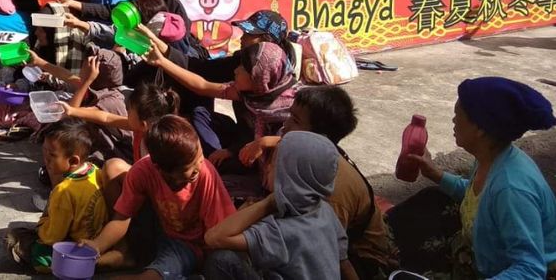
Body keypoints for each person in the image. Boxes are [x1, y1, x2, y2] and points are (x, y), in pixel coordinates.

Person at [238, 86, 395, 278]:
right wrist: (265, 141)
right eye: (290, 116)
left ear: (319, 137)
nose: (285, 126)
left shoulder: (331, 195)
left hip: (360, 261)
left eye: (295, 120)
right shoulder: (313, 157)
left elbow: (323, 252)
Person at [409, 76, 556, 279]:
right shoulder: (489, 157)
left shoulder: (511, 190)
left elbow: (530, 269)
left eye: (457, 114)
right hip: (485, 259)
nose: (453, 120)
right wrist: (436, 175)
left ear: (480, 129)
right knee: (429, 200)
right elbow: (476, 199)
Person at [80, 115, 236, 279]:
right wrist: (97, 245)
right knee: (113, 167)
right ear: (161, 169)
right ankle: (126, 254)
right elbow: (122, 218)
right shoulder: (143, 171)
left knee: (152, 276)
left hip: (190, 245)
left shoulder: (205, 174)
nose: (199, 166)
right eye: (189, 167)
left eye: (200, 156)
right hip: (161, 231)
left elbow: (220, 233)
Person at [203, 131, 357, 280]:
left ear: (291, 175)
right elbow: (344, 263)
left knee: (221, 260)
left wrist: (269, 201)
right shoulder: (325, 211)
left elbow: (213, 238)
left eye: (274, 162)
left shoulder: (281, 232)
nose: (267, 167)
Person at [145, 40, 299, 174]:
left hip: (278, 160)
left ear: (259, 77)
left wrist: (266, 142)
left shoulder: (297, 103)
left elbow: (311, 144)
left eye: (243, 69)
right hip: (244, 142)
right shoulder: (251, 92)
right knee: (201, 114)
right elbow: (202, 86)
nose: (235, 70)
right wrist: (161, 62)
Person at [4, 118, 131, 273]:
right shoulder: (93, 170)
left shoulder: (63, 191)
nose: (46, 159)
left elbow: (52, 237)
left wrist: (41, 227)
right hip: (103, 239)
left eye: (51, 155)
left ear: (73, 161)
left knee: (23, 245)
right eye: (43, 151)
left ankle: (88, 264)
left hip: (81, 246)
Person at [51, 0, 209, 59]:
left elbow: (179, 46)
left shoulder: (174, 7)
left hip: (176, 56)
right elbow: (109, 11)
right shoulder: (137, 4)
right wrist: (75, 4)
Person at [62, 81, 181, 163]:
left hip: (145, 185)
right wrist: (72, 111)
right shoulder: (142, 128)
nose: (126, 111)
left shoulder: (153, 153)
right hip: (138, 173)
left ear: (143, 124)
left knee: (112, 166)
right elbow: (107, 117)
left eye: (129, 110)